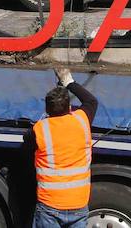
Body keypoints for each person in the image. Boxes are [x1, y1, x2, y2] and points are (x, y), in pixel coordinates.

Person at [27, 67, 97, 228]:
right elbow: (91, 101)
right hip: (78, 204)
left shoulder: (40, 129)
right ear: (70, 108)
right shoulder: (82, 120)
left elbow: (27, 140)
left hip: (50, 206)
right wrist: (68, 82)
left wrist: (43, 118)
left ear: (46, 110)